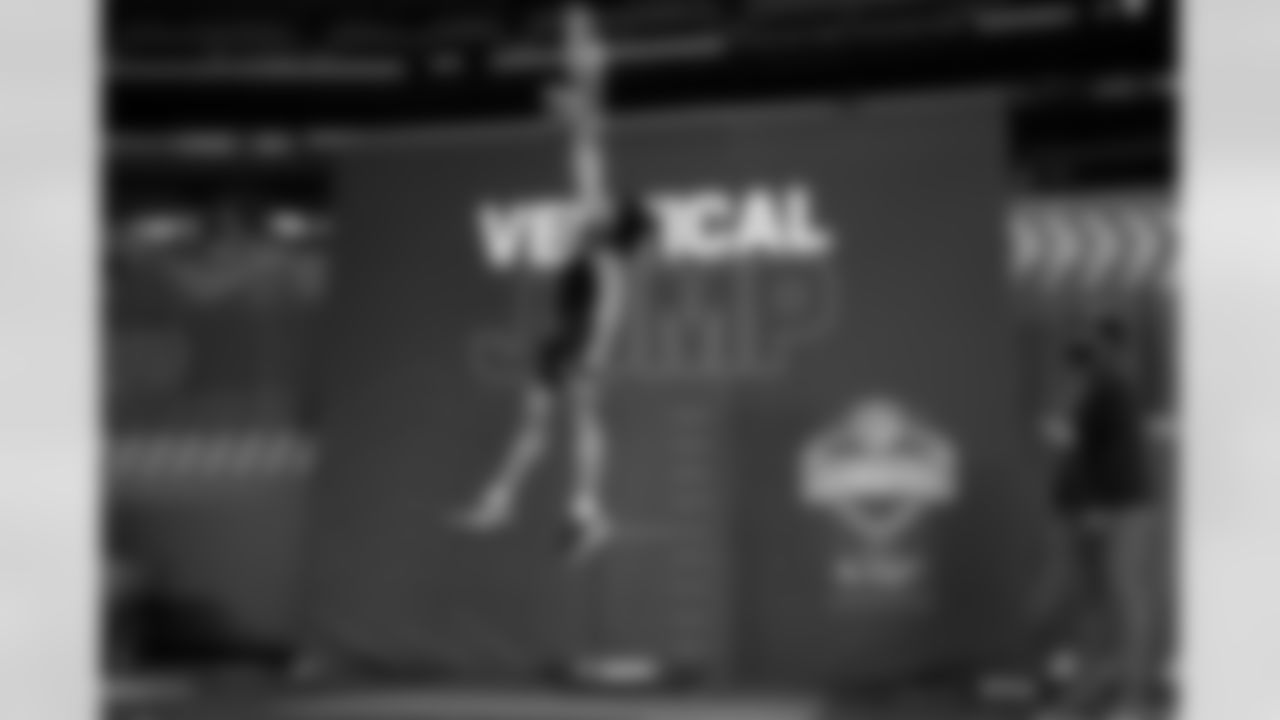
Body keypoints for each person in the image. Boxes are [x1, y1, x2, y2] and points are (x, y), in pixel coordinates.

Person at [452, 4, 659, 560]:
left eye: (612, 208)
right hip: (567, 338)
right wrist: (583, 78)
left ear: (616, 224)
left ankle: (582, 510)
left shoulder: (605, 256)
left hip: (578, 342)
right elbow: (587, 149)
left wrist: (586, 75)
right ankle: (512, 500)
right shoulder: (602, 243)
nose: (602, 203)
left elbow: (588, 149)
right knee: (541, 425)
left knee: (571, 422)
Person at [1038, 317, 1160, 720]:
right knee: (1091, 600)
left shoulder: (1113, 386)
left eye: (1101, 344)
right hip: (1091, 507)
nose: (1093, 352)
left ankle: (1132, 700)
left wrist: (1097, 505)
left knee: (1124, 595)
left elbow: (1115, 456)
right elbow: (1081, 450)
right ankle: (1086, 696)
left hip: (1118, 506)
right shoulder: (1091, 389)